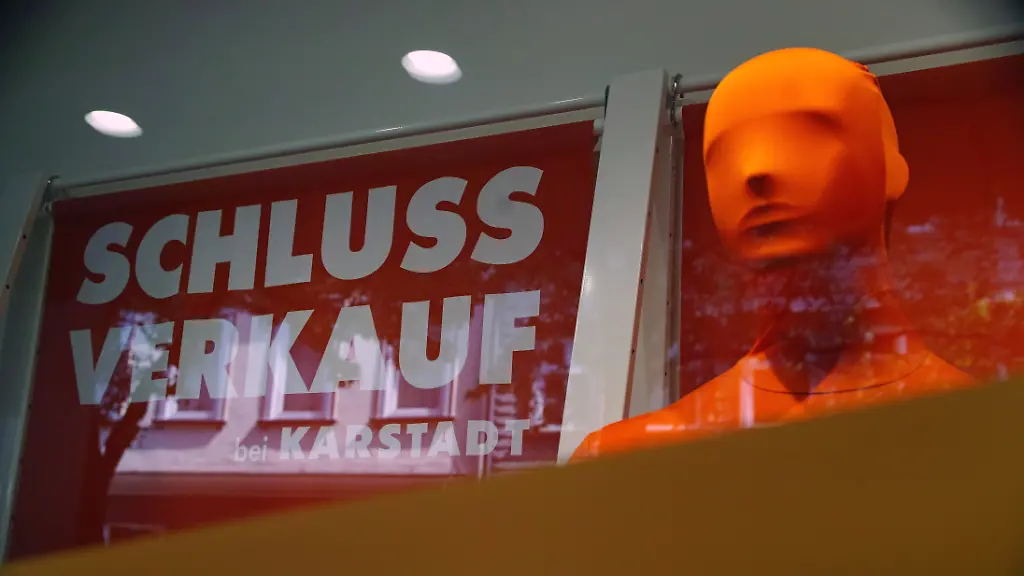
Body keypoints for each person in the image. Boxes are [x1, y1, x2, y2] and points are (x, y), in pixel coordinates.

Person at [571, 47, 975, 462]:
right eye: (724, 154)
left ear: (892, 166)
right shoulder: (622, 460)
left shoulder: (989, 435)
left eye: (808, 134)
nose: (756, 171)